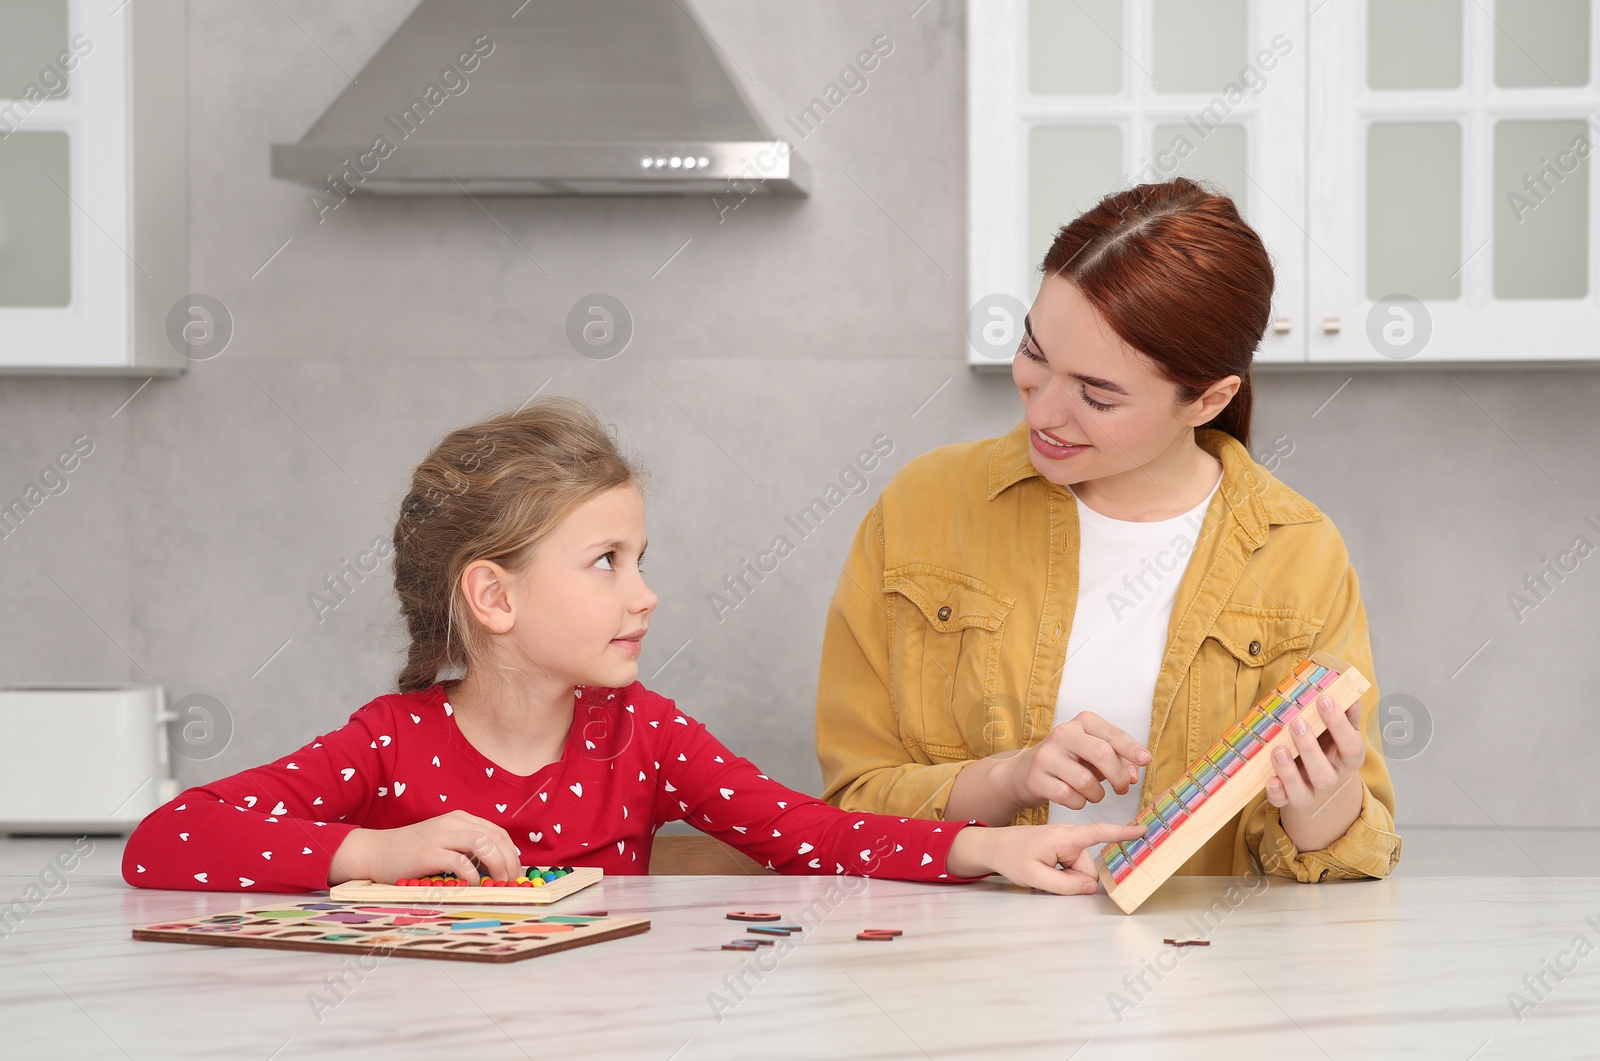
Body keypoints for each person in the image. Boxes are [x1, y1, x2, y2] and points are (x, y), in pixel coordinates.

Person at [122, 399, 1143, 895]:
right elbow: (165, 840)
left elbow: (813, 834)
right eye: (605, 560)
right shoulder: (388, 745)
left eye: (640, 557)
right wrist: (372, 850)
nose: (645, 594)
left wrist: (996, 844)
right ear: (493, 594)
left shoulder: (641, 736)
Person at [816, 177, 1400, 882]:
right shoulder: (925, 507)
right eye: (1033, 354)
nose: (1044, 414)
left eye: (1096, 394)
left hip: (1194, 977)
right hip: (960, 971)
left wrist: (1323, 803)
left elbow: (1348, 863)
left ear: (1208, 399)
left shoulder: (1299, 552)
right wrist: (1011, 776)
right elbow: (852, 808)